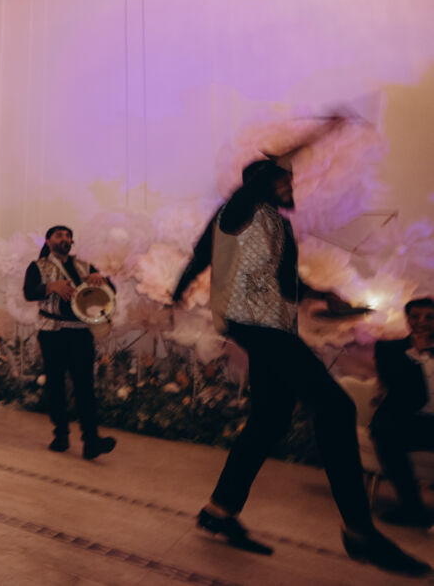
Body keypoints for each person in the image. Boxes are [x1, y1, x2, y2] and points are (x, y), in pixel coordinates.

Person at [171, 128, 429, 576]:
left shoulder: (277, 224)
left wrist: (325, 298)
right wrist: (323, 131)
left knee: (269, 420)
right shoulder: (239, 210)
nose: (292, 186)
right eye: (284, 180)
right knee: (336, 407)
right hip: (257, 326)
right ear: (266, 183)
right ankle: (359, 531)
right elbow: (203, 254)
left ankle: (219, 510)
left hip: (274, 324)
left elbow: (285, 281)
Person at [22, 225, 117, 459]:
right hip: (52, 332)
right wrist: (50, 287)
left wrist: (102, 279)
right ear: (48, 241)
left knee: (85, 385)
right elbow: (29, 292)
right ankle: (61, 434)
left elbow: (111, 290)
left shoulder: (85, 266)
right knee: (55, 385)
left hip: (81, 331)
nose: (65, 239)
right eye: (59, 235)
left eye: (68, 236)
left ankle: (91, 440)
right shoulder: (38, 266)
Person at [370, 296, 434, 527]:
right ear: (407, 319)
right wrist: (416, 352)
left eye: (429, 317)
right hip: (407, 421)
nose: (422, 322)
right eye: (415, 316)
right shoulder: (389, 349)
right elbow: (396, 386)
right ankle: (411, 507)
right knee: (385, 432)